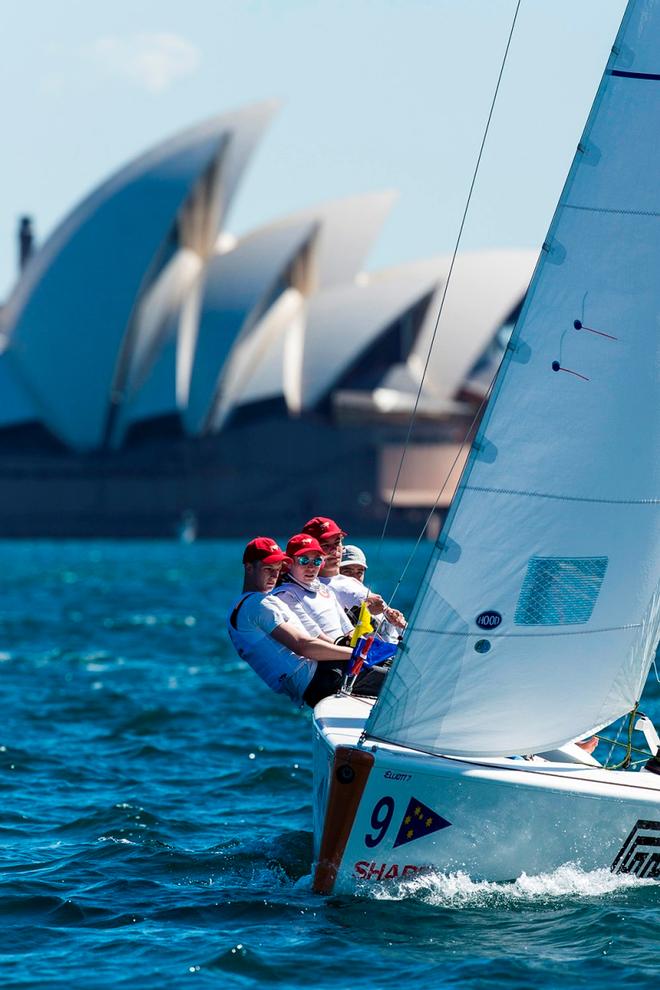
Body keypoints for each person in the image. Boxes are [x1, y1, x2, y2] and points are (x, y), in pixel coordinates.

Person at [227, 537, 384, 708]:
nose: (275, 575)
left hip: (316, 680)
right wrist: (358, 654)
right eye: (268, 569)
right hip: (320, 680)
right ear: (249, 567)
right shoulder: (259, 604)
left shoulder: (239, 605)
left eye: (278, 569)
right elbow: (302, 646)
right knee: (402, 680)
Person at [301, 516, 406, 632]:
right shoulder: (311, 588)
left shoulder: (349, 581)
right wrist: (363, 610)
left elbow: (388, 618)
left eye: (337, 543)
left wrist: (392, 616)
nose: (334, 551)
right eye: (325, 546)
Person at [272, 534, 353, 641]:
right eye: (304, 561)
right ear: (289, 563)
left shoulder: (324, 589)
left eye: (317, 561)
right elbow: (314, 635)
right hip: (326, 653)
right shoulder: (285, 594)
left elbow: (348, 628)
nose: (311, 567)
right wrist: (349, 652)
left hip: (345, 652)